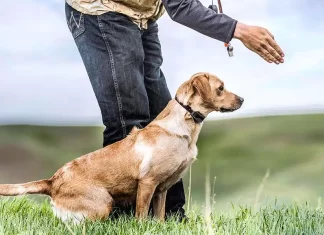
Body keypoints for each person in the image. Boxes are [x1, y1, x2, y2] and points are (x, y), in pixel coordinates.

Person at [64, 0, 284, 219]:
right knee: (128, 116)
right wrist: (240, 30)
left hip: (143, 16)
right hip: (102, 12)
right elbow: (180, 5)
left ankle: (171, 217)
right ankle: (125, 220)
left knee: (165, 115)